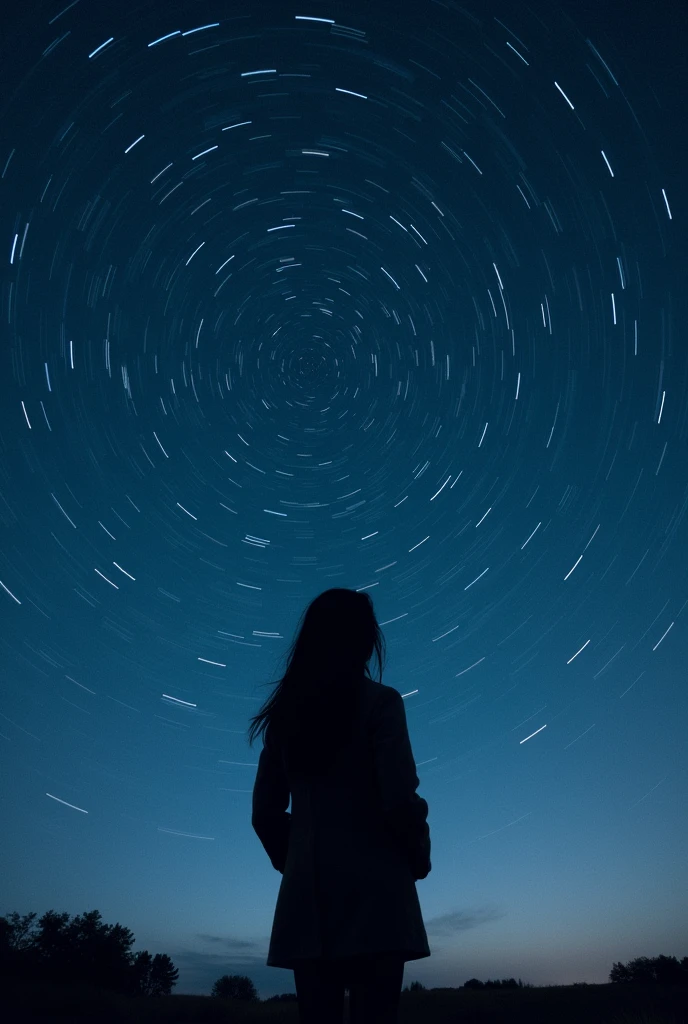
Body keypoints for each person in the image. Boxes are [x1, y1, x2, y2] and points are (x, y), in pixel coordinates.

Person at [250, 587, 431, 1023]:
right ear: (365, 641)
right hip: (378, 895)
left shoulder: (285, 719)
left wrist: (296, 860)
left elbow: (264, 814)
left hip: (306, 899)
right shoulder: (381, 704)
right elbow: (399, 799)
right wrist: (418, 856)